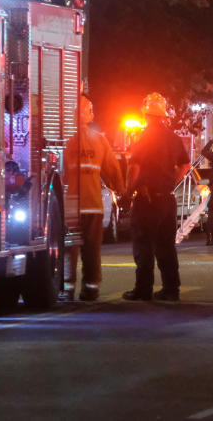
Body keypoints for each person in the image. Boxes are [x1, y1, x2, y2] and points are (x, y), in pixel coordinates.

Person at [122, 92, 190, 302]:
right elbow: (185, 165)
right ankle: (171, 289)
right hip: (167, 200)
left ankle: (143, 290)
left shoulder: (144, 137)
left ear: (146, 113)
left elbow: (135, 166)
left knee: (144, 245)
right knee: (166, 246)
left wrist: (127, 192)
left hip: (147, 199)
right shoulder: (174, 138)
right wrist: (172, 182)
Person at [63, 94, 125, 301]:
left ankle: (66, 287)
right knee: (91, 250)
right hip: (92, 205)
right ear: (88, 114)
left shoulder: (64, 138)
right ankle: (90, 287)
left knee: (68, 248)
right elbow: (113, 169)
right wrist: (122, 189)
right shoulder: (99, 140)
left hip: (69, 205)